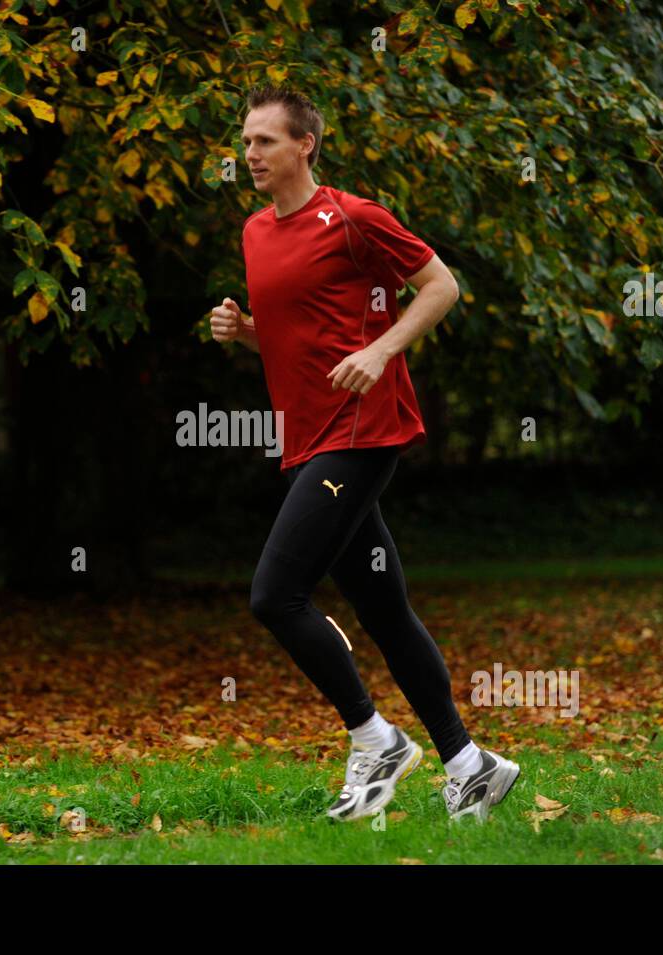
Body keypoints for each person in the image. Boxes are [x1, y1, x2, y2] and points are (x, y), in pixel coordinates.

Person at [208, 84, 520, 823]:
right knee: (384, 611)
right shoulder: (255, 232)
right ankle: (470, 765)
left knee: (275, 595)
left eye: (264, 140)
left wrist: (382, 350)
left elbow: (440, 286)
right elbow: (298, 337)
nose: (250, 153)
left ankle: (376, 740)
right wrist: (245, 333)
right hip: (305, 439)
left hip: (361, 432)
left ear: (304, 145)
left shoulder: (352, 217)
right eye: (245, 142)